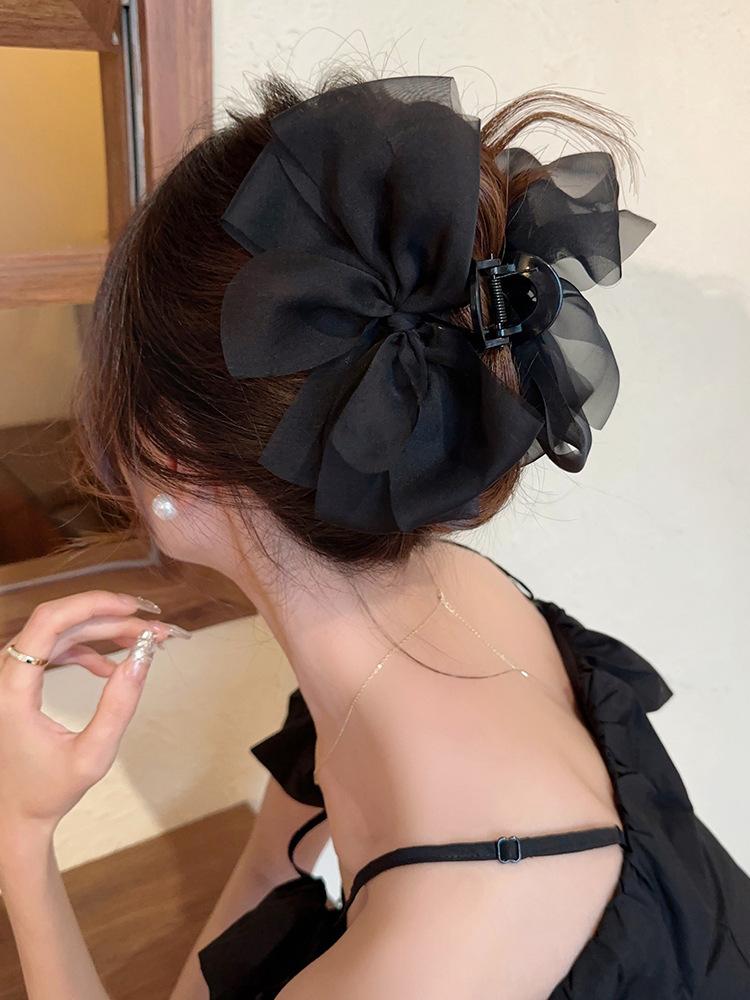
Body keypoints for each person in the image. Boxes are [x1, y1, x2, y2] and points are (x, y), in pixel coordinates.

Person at [0, 69, 748, 1000]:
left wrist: (20, 835)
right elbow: (267, 871)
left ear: (172, 456)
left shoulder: (425, 960)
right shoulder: (428, 598)